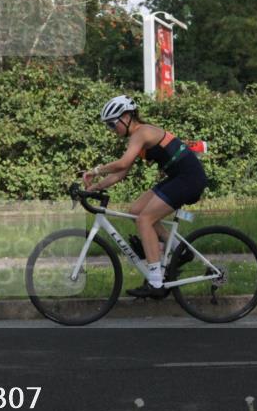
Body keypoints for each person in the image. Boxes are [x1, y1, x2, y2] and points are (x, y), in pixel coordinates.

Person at [82, 95, 208, 298]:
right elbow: (122, 173)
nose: (113, 131)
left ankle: (156, 282)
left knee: (145, 220)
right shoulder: (138, 137)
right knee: (136, 211)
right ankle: (178, 250)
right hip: (180, 177)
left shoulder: (142, 132)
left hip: (188, 178)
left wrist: (95, 170)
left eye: (113, 125)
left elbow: (122, 164)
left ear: (126, 117)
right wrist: (95, 187)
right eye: (109, 127)